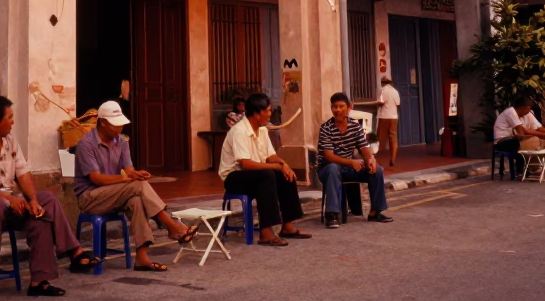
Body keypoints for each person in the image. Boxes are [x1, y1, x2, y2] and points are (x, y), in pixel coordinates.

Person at [0, 95, 98, 297]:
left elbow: (23, 174)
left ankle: (41, 279)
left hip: (7, 204)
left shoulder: (10, 142)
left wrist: (31, 200)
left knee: (43, 207)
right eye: (10, 117)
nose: (13, 122)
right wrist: (10, 199)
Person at [74, 101, 199, 271]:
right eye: (114, 125)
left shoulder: (121, 142)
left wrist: (135, 174)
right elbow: (96, 179)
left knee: (136, 201)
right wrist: (127, 179)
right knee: (136, 187)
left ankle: (142, 258)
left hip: (115, 194)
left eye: (120, 124)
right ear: (102, 122)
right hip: (90, 197)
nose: (119, 129)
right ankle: (172, 225)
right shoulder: (86, 144)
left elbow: (129, 170)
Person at [219, 93, 310, 246]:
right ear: (256, 113)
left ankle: (288, 226)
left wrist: (284, 165)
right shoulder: (239, 131)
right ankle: (266, 233)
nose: (270, 113)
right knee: (267, 175)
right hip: (234, 178)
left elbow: (271, 156)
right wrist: (275, 166)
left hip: (255, 175)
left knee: (284, 174)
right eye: (267, 110)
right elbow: (246, 164)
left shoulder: (262, 130)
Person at [318, 92, 392, 229]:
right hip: (327, 170)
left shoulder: (355, 126)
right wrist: (351, 162)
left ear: (349, 107)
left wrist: (370, 159)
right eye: (335, 107)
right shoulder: (326, 128)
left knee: (377, 170)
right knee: (333, 168)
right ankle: (332, 214)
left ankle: (375, 212)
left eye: (341, 106)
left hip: (347, 168)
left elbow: (364, 147)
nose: (338, 110)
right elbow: (328, 156)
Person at [493, 97, 538, 168]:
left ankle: (531, 168)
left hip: (510, 139)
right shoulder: (511, 112)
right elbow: (522, 131)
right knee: (522, 143)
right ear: (522, 107)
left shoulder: (516, 114)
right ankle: (522, 169)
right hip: (502, 142)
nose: (529, 110)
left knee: (526, 142)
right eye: (528, 107)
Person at [376, 76, 400, 167]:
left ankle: (374, 158)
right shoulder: (395, 91)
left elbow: (381, 102)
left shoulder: (383, 90)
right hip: (393, 117)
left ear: (383, 83)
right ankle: (392, 159)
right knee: (393, 138)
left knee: (379, 138)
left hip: (384, 116)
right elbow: (398, 104)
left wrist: (377, 104)